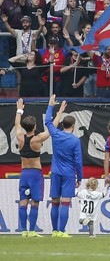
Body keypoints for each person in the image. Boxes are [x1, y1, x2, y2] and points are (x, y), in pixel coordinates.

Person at [15, 98, 55, 237]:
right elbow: (51, 129)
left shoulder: (20, 137)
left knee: (23, 202)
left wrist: (19, 109)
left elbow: (16, 124)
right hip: (35, 174)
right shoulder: (37, 140)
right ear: (35, 127)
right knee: (35, 203)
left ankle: (23, 231)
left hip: (24, 173)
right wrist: (54, 108)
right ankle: (32, 230)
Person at [45, 95, 83, 237]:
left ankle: (54, 231)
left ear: (62, 125)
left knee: (55, 201)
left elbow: (47, 121)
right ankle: (61, 231)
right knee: (65, 202)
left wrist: (51, 106)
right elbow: (78, 161)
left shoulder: (56, 134)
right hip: (68, 173)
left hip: (55, 172)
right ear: (73, 126)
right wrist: (80, 177)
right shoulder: (75, 140)